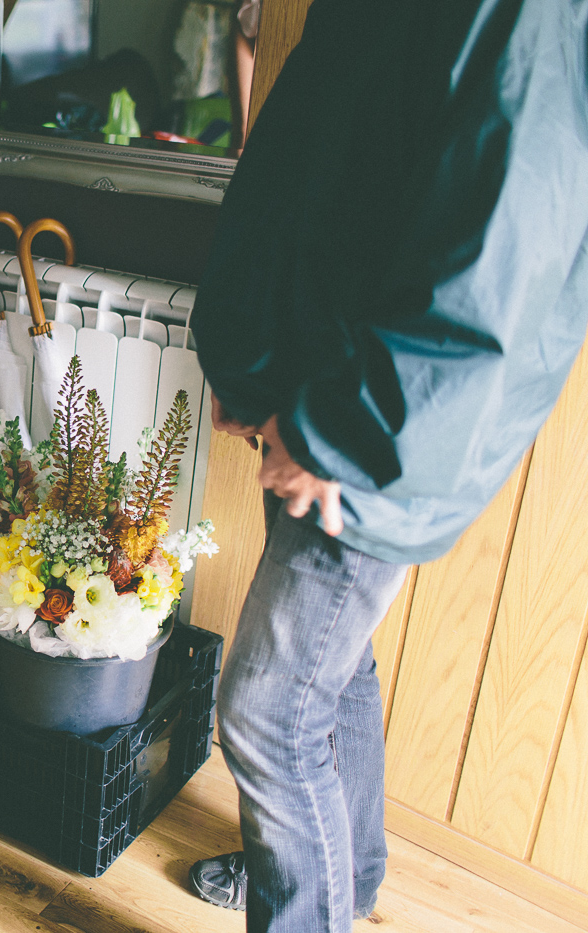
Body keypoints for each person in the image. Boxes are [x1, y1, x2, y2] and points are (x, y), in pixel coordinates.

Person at [187, 0, 588, 930]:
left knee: (268, 715)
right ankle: (346, 877)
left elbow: (494, 258)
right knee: (333, 664)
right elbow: (335, 161)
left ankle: (312, 902)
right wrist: (256, 352)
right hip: (325, 373)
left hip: (373, 414)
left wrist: (338, 433)